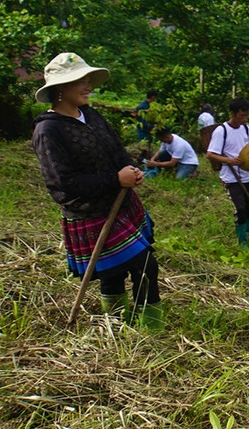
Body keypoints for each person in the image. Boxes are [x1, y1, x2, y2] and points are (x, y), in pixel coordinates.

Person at [30, 52, 161, 324]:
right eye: (81, 80)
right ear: (61, 87)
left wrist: (131, 169)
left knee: (116, 271)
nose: (88, 86)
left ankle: (126, 327)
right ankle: (144, 328)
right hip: (91, 213)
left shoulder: (91, 115)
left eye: (88, 79)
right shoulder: (49, 130)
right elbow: (62, 183)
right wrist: (115, 179)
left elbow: (116, 150)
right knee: (143, 266)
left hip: (121, 203)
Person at [208, 97, 249, 245]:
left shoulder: (246, 128)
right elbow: (210, 154)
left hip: (248, 175)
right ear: (232, 113)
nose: (245, 118)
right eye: (242, 115)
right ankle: (242, 241)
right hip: (232, 177)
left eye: (246, 115)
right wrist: (229, 160)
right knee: (240, 209)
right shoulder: (221, 131)